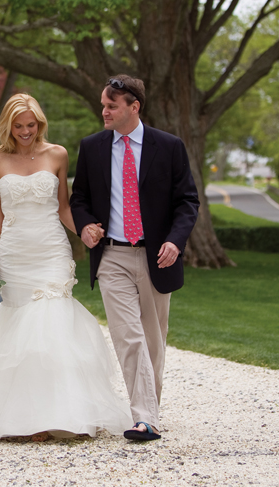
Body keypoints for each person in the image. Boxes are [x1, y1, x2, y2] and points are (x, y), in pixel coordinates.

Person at [0, 93, 132, 441]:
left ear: (40, 123)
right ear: (8, 126)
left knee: (52, 324)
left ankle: (66, 414)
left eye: (31, 125)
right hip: (15, 252)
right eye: (18, 126)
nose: (26, 131)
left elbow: (63, 208)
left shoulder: (57, 154)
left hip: (51, 250)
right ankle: (22, 419)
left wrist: (85, 231)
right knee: (20, 332)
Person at [70, 75, 200, 441]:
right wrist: (85, 226)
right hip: (112, 256)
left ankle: (148, 413)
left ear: (134, 107)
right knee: (128, 336)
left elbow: (188, 201)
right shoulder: (92, 147)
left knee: (153, 340)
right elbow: (79, 198)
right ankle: (145, 418)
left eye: (111, 106)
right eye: (103, 105)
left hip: (157, 257)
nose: (104, 111)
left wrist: (175, 241)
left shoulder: (169, 146)